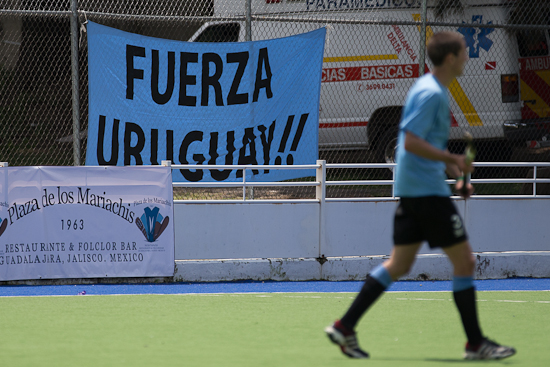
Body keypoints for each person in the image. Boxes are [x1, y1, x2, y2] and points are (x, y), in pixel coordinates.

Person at [324, 31, 516, 360]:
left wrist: (455, 174)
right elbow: (410, 142)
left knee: (398, 264)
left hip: (415, 191)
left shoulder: (430, 89)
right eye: (464, 52)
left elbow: (424, 148)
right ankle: (475, 344)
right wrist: (454, 161)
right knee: (465, 261)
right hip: (426, 195)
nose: (468, 56)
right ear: (451, 58)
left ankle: (345, 326)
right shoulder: (432, 94)